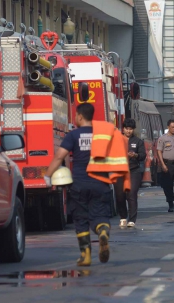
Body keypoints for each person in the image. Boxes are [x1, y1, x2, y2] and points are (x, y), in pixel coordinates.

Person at [44, 103, 112, 266]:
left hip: (79, 183)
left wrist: (48, 175)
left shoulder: (73, 135)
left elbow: (60, 157)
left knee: (81, 219)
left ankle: (85, 256)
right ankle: (102, 231)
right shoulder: (102, 135)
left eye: (76, 116)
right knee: (100, 215)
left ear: (80, 116)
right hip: (101, 182)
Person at [116, 118, 146, 228]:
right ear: (123, 129)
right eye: (126, 129)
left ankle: (132, 219)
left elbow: (143, 155)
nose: (128, 131)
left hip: (134, 171)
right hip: (120, 171)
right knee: (120, 195)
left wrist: (136, 155)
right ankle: (123, 217)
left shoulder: (138, 141)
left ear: (133, 130)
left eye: (130, 129)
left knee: (131, 194)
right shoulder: (117, 140)